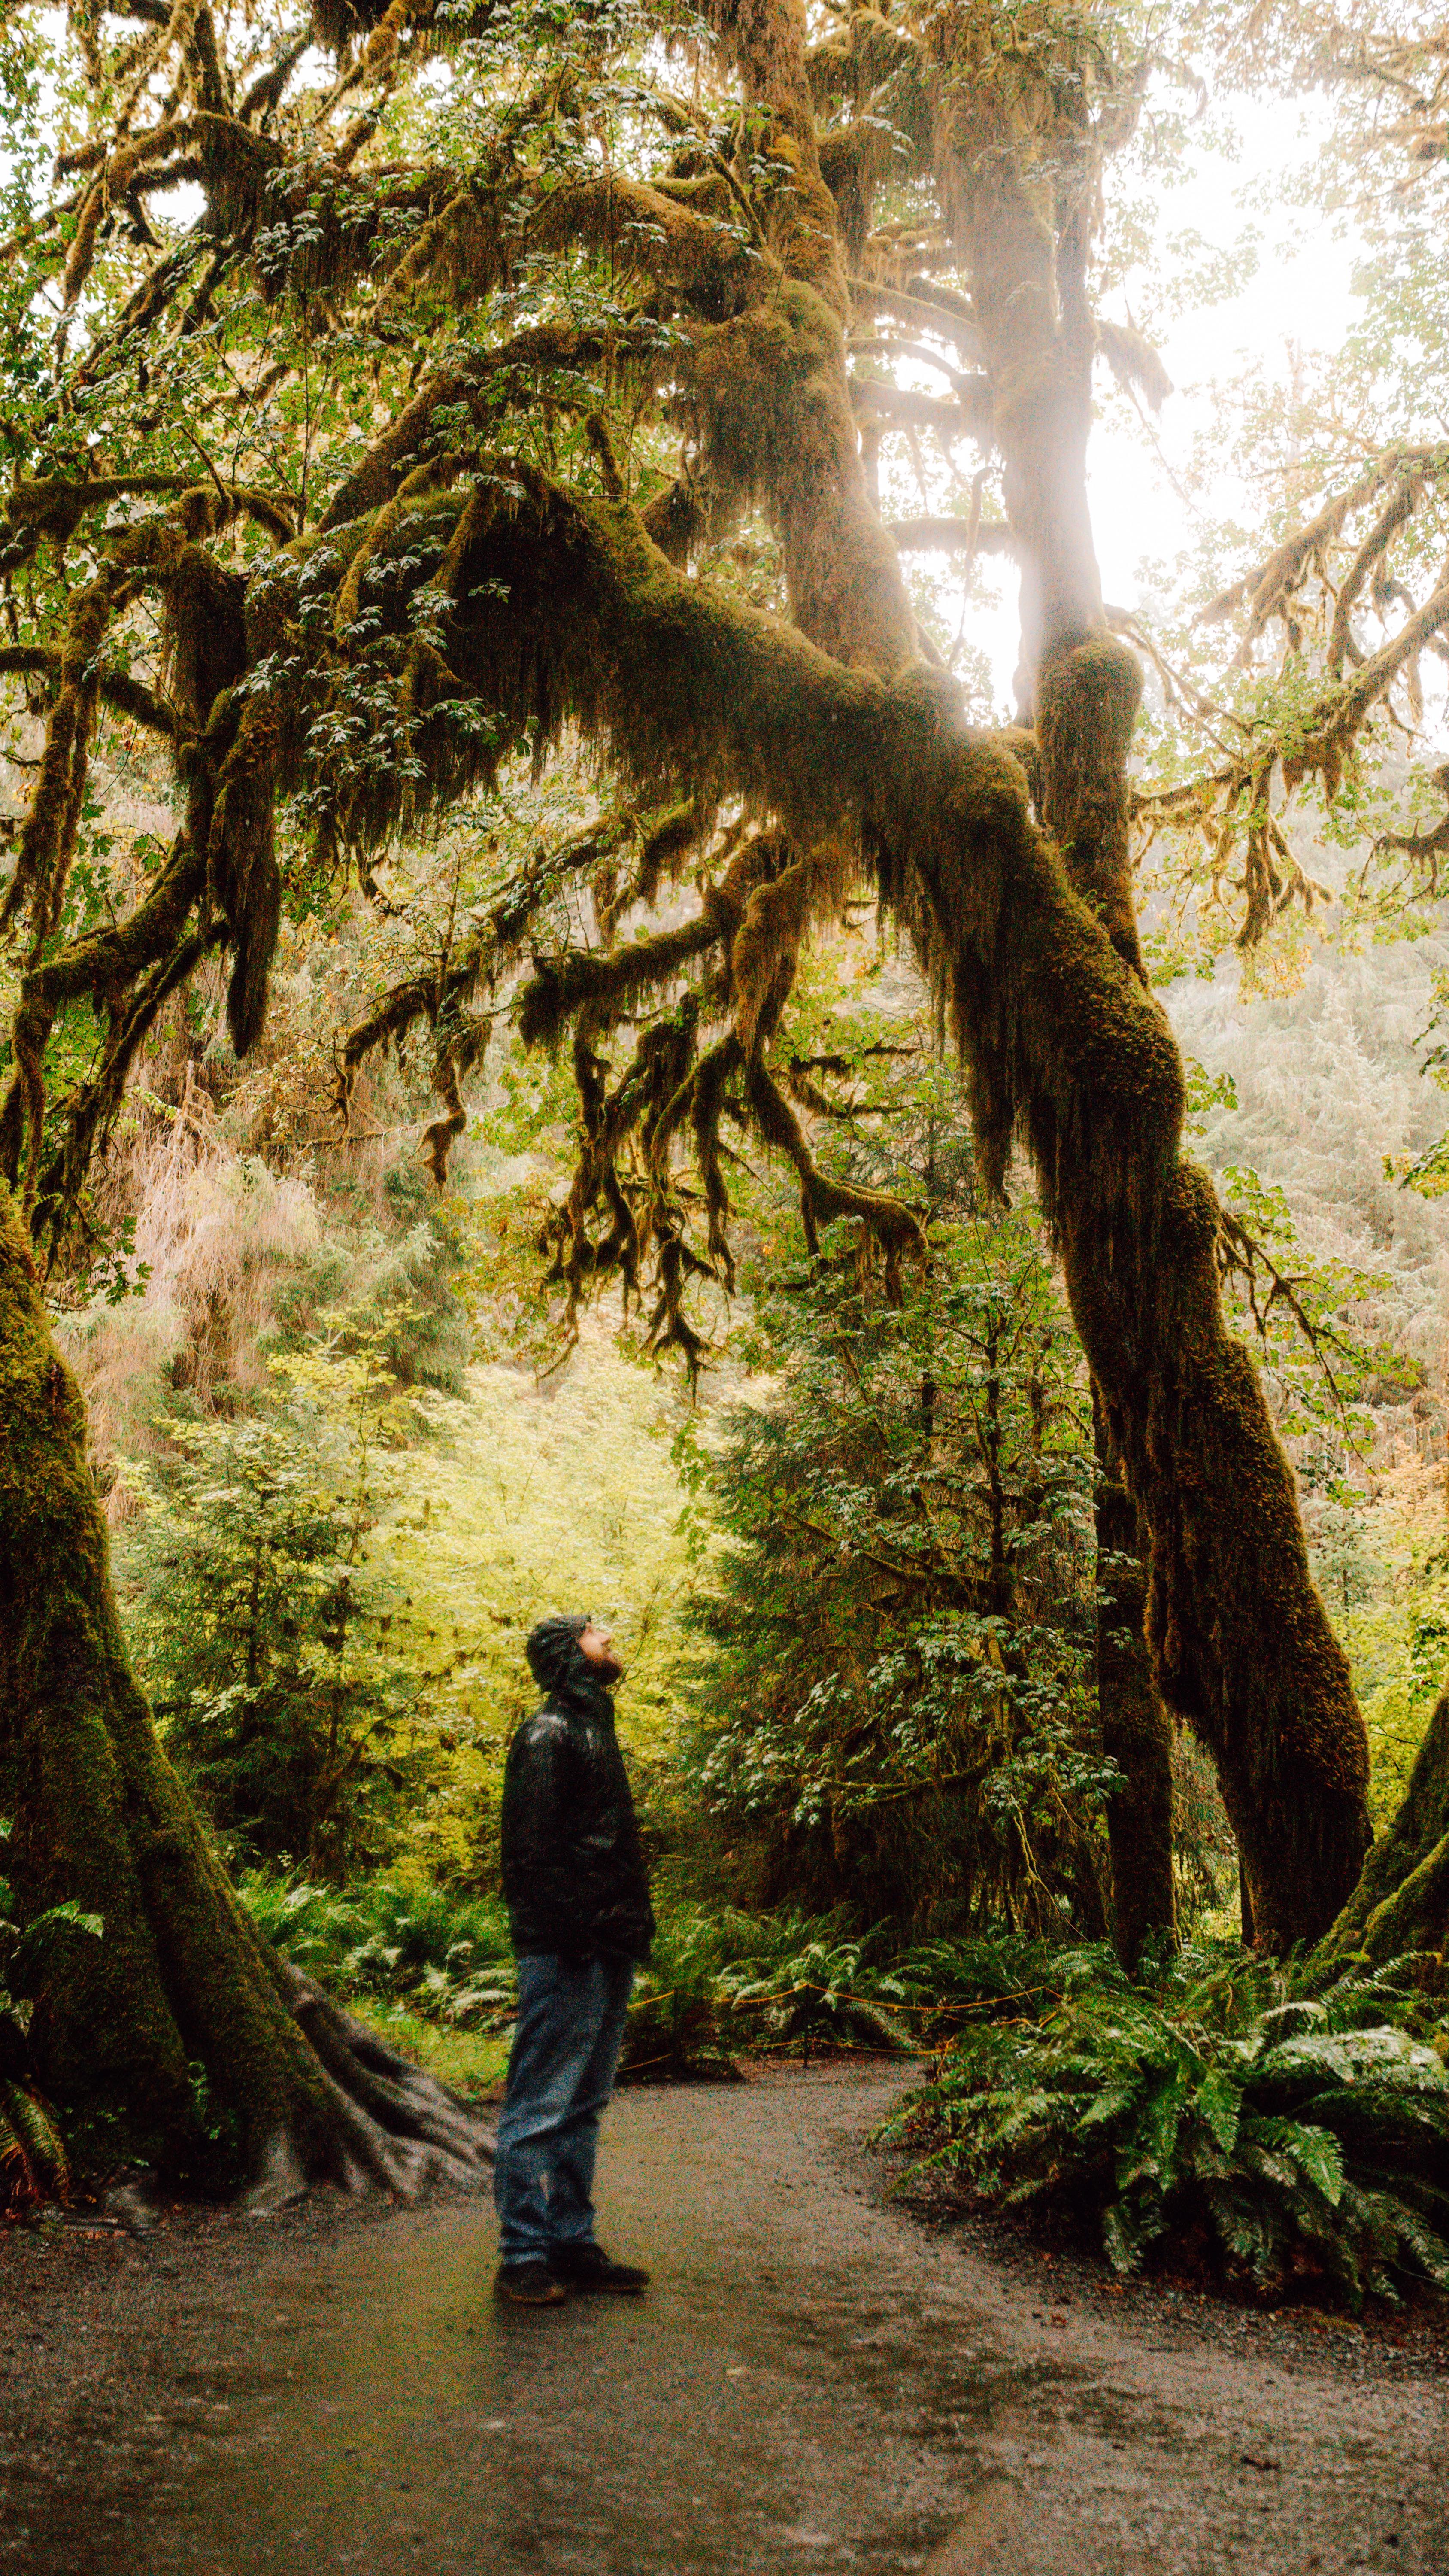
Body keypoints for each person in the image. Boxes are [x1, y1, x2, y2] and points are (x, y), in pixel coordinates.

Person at [492, 1611, 656, 2306]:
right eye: (595, 1632)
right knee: (540, 2105)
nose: (609, 1638)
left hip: (608, 1940)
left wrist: (620, 1929)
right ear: (568, 1653)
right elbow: (529, 1856)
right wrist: (573, 1934)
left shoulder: (595, 1725)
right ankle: (522, 2255)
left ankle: (571, 2242)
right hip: (566, 1948)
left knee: (584, 2104)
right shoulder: (547, 1733)